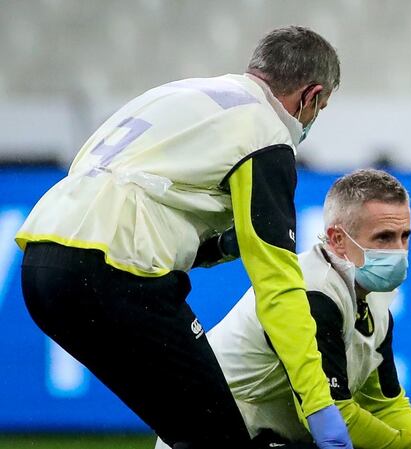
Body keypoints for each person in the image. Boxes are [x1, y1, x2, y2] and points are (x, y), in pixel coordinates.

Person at [16, 26, 351, 449]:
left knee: (194, 430)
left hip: (43, 262)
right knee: (218, 438)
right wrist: (318, 404)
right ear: (311, 96)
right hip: (114, 272)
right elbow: (279, 288)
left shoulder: (180, 94)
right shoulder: (266, 132)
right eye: (322, 106)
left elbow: (137, 190)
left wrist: (215, 246)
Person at [156, 169, 411, 449]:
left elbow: (385, 402)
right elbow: (332, 415)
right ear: (338, 240)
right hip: (212, 436)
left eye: (405, 236)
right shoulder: (313, 294)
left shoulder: (374, 300)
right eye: (384, 238)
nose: (399, 251)